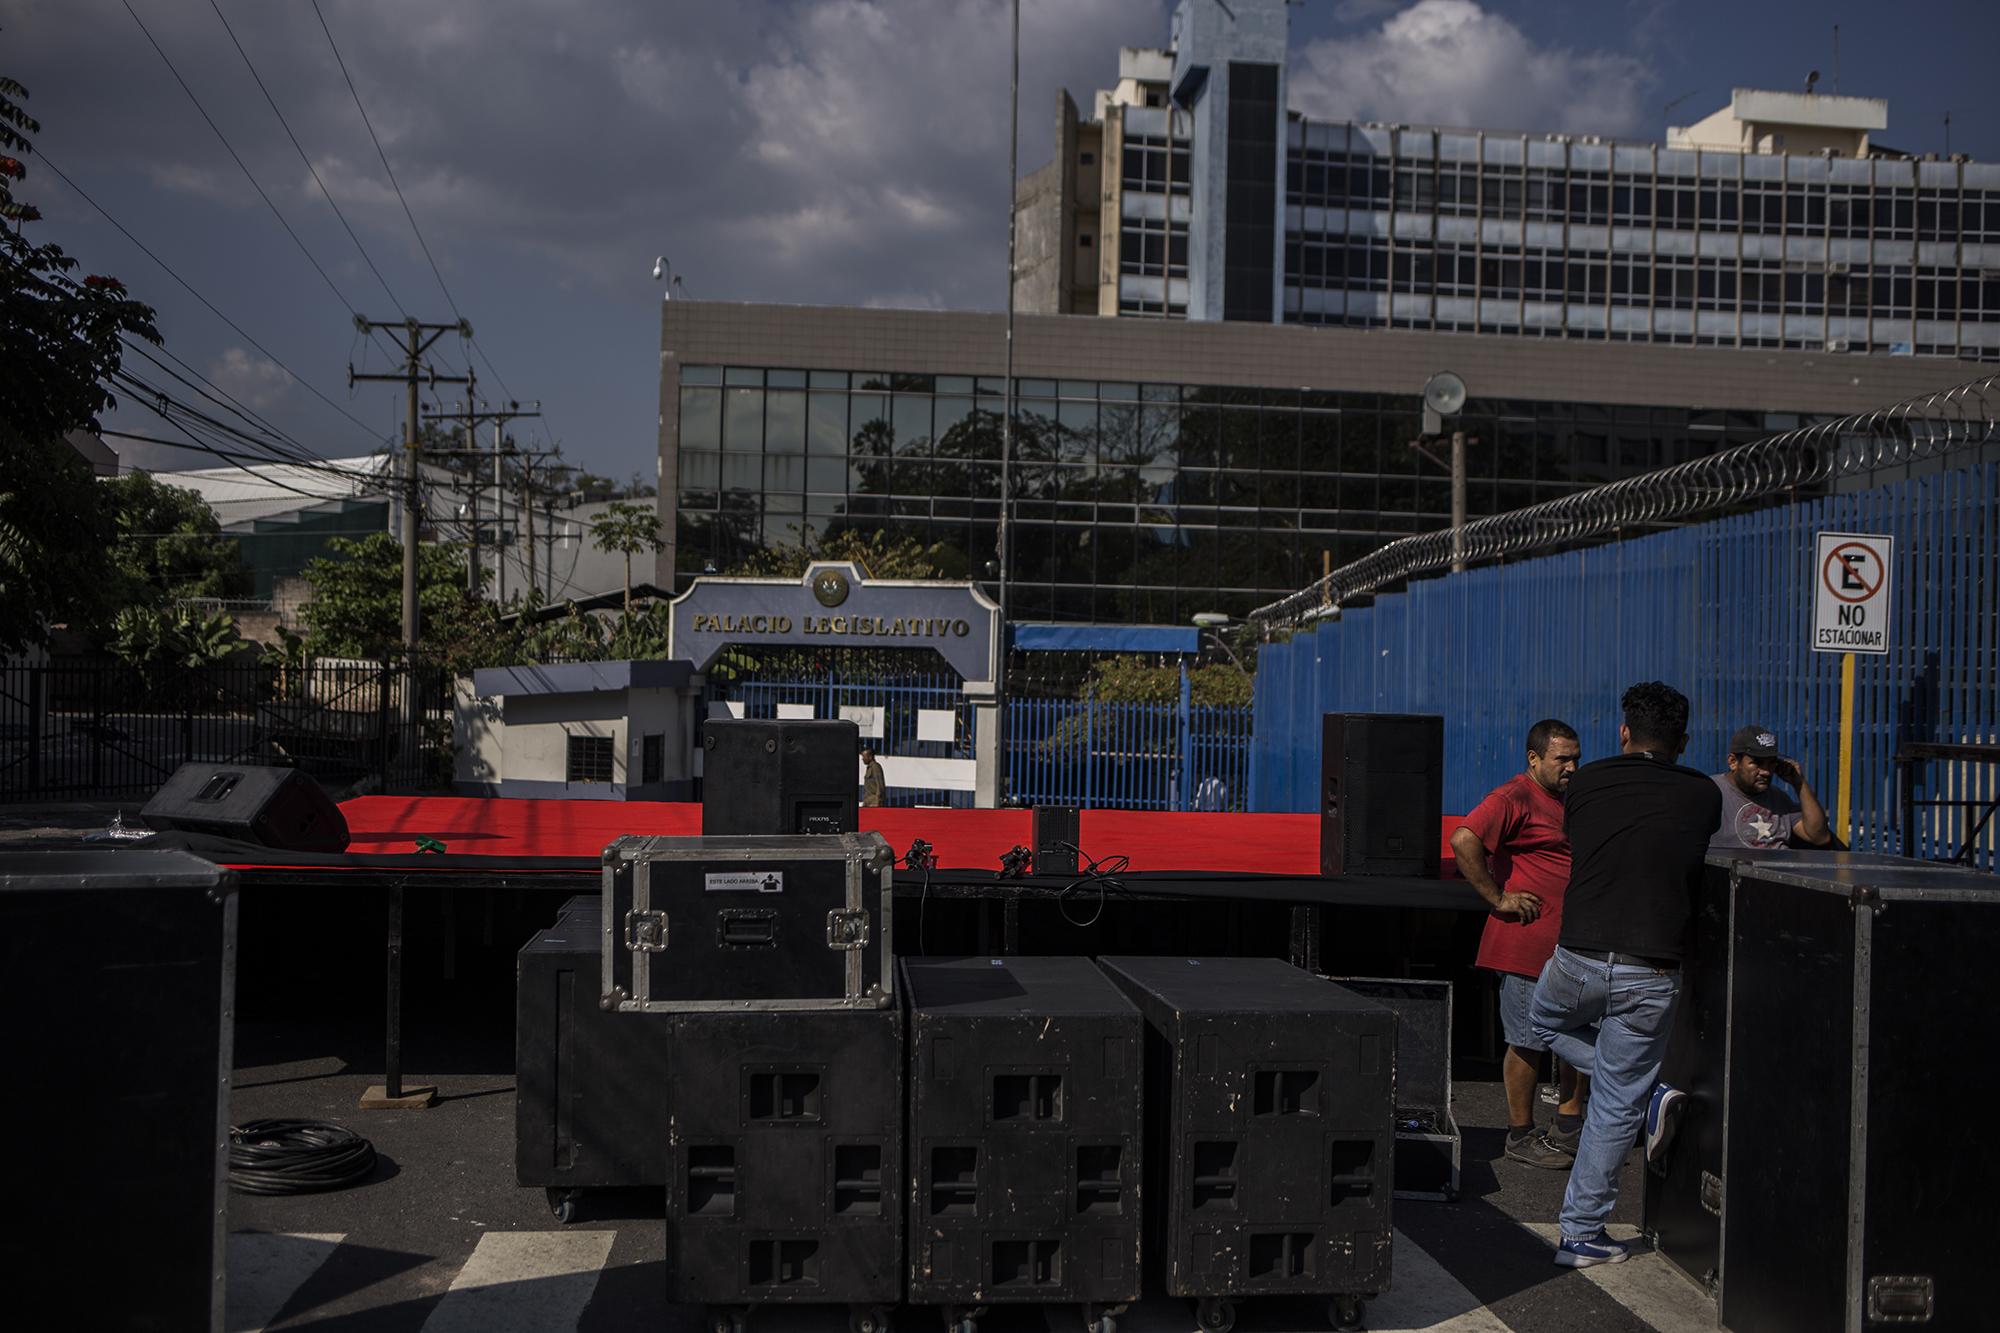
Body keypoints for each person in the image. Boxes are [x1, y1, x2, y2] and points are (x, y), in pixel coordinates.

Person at [1530, 681, 1722, 1268]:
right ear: (1683, 742)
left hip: (1578, 957)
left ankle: (1640, 1091)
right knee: (1615, 1101)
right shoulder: (1703, 795)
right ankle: (1582, 1232)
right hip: (1652, 968)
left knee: (1539, 1022)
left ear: (1622, 733)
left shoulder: (1584, 784)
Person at [1451, 719, 1589, 1169]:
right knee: (1528, 1040)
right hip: (1526, 945)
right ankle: (1519, 1135)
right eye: (1561, 758)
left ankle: (1569, 1124)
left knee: (1575, 1035)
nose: (1571, 766)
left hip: (1569, 945)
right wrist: (1498, 897)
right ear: (1534, 759)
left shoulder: (1567, 799)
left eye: (1575, 757)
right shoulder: (1513, 797)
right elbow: (1463, 839)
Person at [1709, 724, 1832, 849]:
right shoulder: (1712, 792)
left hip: (1779, 867)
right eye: (1757, 763)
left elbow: (1819, 837)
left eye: (1771, 763)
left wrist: (1799, 783)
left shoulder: (1778, 798)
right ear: (1733, 762)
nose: (1766, 771)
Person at [860, 744, 886, 808]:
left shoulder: (875, 767)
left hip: (873, 803)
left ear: (870, 757)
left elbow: (880, 786)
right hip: (867, 802)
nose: (862, 759)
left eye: (864, 757)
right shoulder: (869, 768)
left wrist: (877, 803)